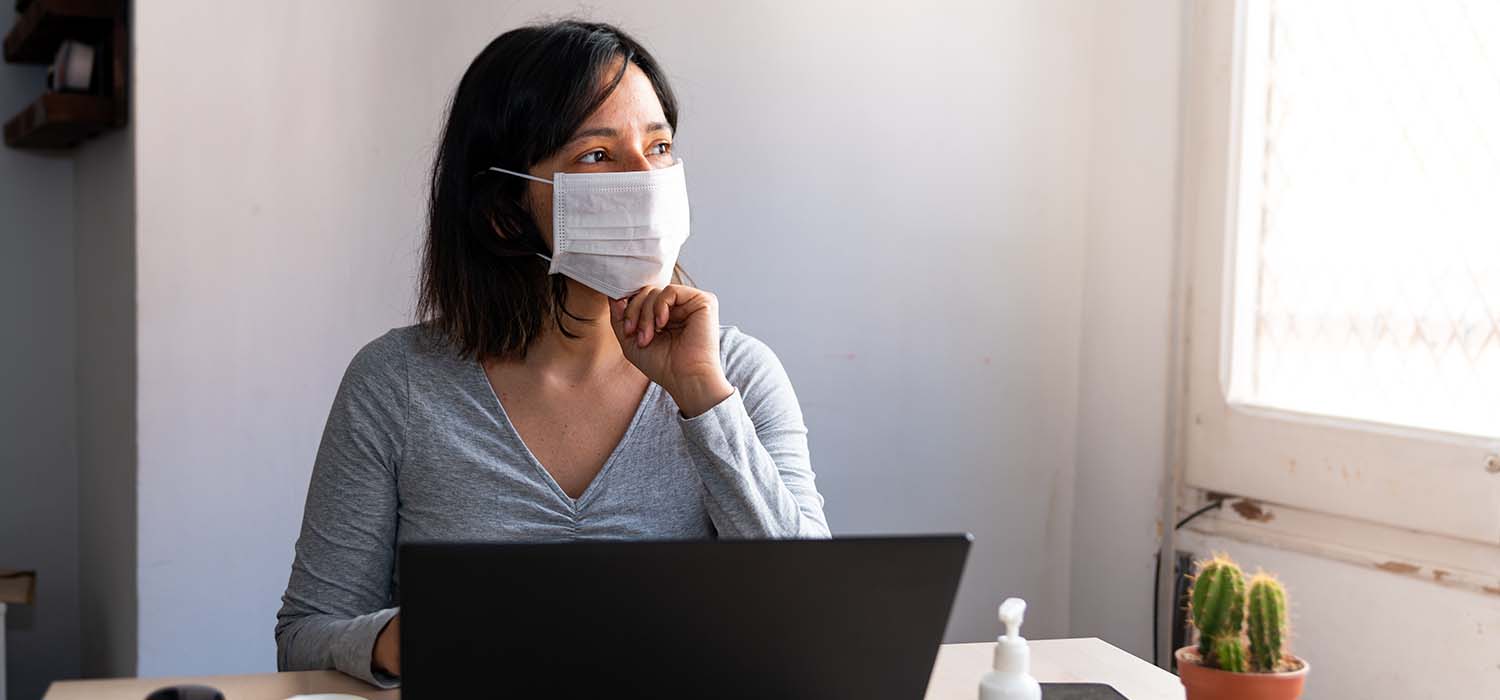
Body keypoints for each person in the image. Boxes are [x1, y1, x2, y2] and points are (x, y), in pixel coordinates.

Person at [273, 19, 830, 687]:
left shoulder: (736, 374)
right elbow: (306, 637)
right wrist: (399, 639)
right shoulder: (395, 384)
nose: (646, 180)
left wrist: (704, 402)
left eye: (659, 146)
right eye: (597, 156)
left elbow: (814, 621)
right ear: (505, 211)